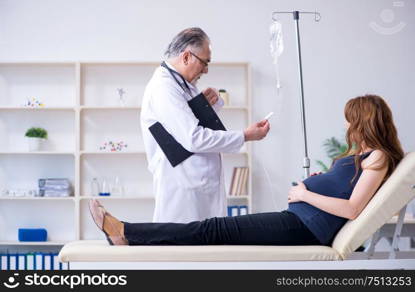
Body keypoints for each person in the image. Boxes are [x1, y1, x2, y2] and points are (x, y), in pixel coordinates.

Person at [91, 94, 404, 246]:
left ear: (364, 121)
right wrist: (321, 183)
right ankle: (127, 234)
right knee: (212, 228)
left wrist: (305, 194)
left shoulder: (378, 157)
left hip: (305, 228)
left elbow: (351, 209)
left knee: (213, 229)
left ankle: (126, 232)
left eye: (351, 119)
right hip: (298, 221)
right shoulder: (363, 154)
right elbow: (347, 191)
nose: (347, 125)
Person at [140, 27, 270, 223]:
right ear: (186, 57)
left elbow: (183, 126)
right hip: (182, 189)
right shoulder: (163, 88)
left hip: (196, 185)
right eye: (205, 62)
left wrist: (206, 106)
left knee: (206, 245)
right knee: (183, 248)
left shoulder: (181, 84)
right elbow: (193, 138)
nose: (206, 70)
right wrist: (245, 135)